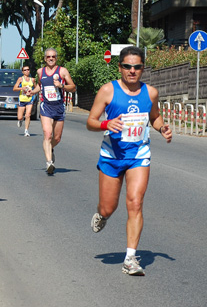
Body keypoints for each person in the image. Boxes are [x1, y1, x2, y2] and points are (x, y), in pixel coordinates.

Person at [86, 46, 172, 276]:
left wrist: (162, 127)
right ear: (120, 67)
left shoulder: (150, 93)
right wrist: (106, 124)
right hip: (112, 156)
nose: (132, 71)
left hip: (138, 156)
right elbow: (91, 121)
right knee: (108, 207)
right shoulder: (107, 91)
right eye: (127, 66)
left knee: (135, 202)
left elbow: (154, 117)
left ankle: (130, 259)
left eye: (137, 67)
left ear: (143, 69)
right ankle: (102, 215)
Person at [26, 48, 76, 174]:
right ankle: (49, 163)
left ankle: (50, 148)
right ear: (45, 59)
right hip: (46, 107)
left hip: (59, 108)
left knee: (57, 138)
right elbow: (39, 86)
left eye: (53, 56)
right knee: (47, 134)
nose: (51, 58)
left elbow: (73, 87)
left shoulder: (62, 71)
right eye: (48, 56)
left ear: (56, 58)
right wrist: (32, 92)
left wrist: (61, 86)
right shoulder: (40, 71)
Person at [13, 65, 36, 137]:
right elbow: (14, 88)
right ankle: (20, 120)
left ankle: (26, 131)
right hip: (22, 99)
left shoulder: (32, 80)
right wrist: (22, 88)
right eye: (25, 70)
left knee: (28, 115)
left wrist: (32, 93)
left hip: (29, 99)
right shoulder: (20, 79)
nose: (27, 71)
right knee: (20, 117)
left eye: (28, 69)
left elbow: (36, 88)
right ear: (22, 72)